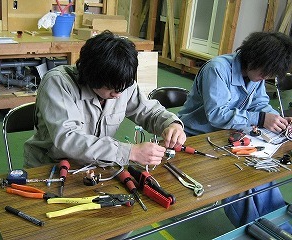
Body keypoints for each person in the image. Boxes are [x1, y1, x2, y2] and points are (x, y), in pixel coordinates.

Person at [177, 31, 292, 231]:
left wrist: (278, 120)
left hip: (226, 136)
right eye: (265, 73)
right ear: (253, 58)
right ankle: (255, 230)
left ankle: (280, 226)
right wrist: (262, 119)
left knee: (261, 171)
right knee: (236, 180)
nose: (265, 78)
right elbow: (217, 115)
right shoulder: (218, 69)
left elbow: (261, 103)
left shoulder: (256, 74)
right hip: (196, 137)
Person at [24, 30, 186, 169]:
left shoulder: (121, 83)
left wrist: (171, 124)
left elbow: (149, 112)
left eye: (123, 87)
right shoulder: (58, 83)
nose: (119, 94)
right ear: (91, 76)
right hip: (50, 167)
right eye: (112, 89)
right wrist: (131, 152)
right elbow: (69, 139)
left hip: (97, 166)